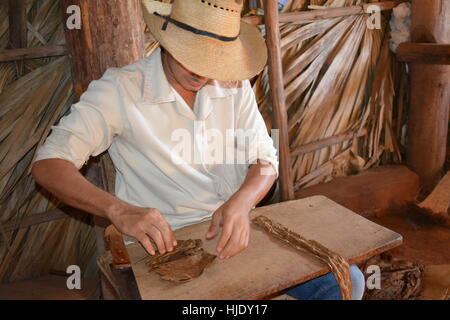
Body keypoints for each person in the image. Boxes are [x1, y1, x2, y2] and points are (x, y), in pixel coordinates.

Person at [31, 0, 365, 300]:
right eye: (192, 56)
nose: (203, 73)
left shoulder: (233, 84)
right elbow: (49, 163)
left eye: (213, 60)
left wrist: (241, 202)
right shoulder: (120, 90)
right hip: (164, 246)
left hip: (237, 232)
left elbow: (265, 160)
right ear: (167, 39)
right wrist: (118, 210)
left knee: (346, 281)